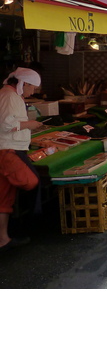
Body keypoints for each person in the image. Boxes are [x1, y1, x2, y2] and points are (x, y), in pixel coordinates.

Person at [0, 67, 44, 252]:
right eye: (32, 87)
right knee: (31, 181)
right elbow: (6, 123)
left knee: (4, 197)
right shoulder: (9, 96)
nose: (33, 91)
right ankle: (30, 223)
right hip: (8, 150)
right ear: (23, 83)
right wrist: (30, 125)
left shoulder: (9, 95)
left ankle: (3, 239)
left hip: (10, 148)